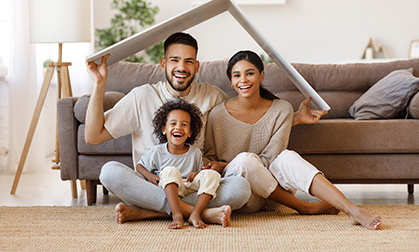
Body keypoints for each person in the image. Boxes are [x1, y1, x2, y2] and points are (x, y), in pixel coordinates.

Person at [85, 32, 324, 224]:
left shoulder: (212, 96)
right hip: (153, 186)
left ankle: (153, 212)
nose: (182, 67)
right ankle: (199, 213)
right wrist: (99, 84)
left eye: (189, 61)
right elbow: (93, 136)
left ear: (197, 66)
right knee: (109, 173)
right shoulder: (141, 97)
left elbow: (248, 120)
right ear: (163, 63)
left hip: (196, 187)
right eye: (175, 60)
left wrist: (293, 118)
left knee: (240, 188)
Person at [204, 50, 382, 230]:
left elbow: (272, 159)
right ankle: (304, 206)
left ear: (261, 75)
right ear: (231, 80)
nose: (243, 80)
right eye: (237, 75)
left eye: (250, 73)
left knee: (286, 157)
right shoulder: (217, 114)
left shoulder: (281, 109)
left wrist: (227, 164)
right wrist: (222, 167)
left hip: (274, 196)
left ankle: (351, 209)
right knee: (244, 160)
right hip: (243, 193)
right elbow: (209, 159)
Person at [137, 98, 229, 229]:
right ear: (164, 129)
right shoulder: (156, 152)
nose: (178, 127)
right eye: (173, 123)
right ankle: (177, 214)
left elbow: (199, 176)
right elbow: (139, 166)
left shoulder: (195, 152)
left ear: (190, 132)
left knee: (211, 174)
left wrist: (196, 174)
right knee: (170, 170)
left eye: (184, 125)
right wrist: (150, 176)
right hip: (169, 188)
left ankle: (195, 213)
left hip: (189, 189)